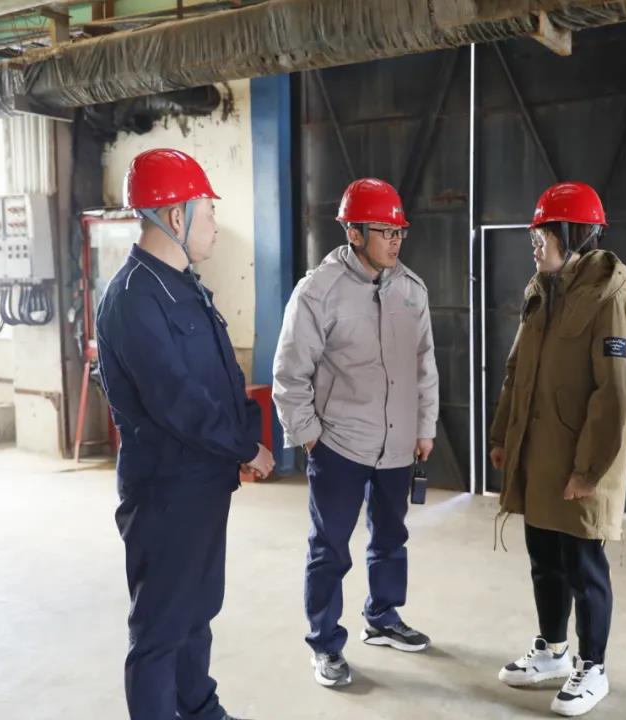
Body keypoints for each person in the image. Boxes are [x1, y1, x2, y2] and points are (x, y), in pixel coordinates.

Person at [96, 148, 273, 720]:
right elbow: (179, 401)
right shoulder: (133, 299)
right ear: (176, 216)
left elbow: (219, 376)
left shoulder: (182, 286)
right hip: (165, 492)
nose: (216, 225)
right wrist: (245, 446)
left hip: (202, 481)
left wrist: (239, 443)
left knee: (197, 611)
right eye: (209, 211)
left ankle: (199, 709)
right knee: (160, 629)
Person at [272, 177, 440, 688]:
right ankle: (325, 642)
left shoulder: (412, 290)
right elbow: (290, 373)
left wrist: (424, 426)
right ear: (353, 232)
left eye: (399, 231)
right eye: (384, 231)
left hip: (397, 444)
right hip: (339, 445)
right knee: (330, 548)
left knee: (391, 538)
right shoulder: (318, 292)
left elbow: (424, 365)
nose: (395, 240)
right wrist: (309, 436)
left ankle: (382, 617)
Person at [489, 181, 626, 717]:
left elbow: (614, 392)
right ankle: (553, 650)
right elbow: (516, 372)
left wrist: (589, 471)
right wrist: (503, 437)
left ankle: (592, 666)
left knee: (584, 568)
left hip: (578, 465)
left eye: (544, 233)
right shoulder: (541, 291)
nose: (535, 243)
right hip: (538, 457)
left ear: (573, 235)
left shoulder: (608, 298)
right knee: (544, 560)